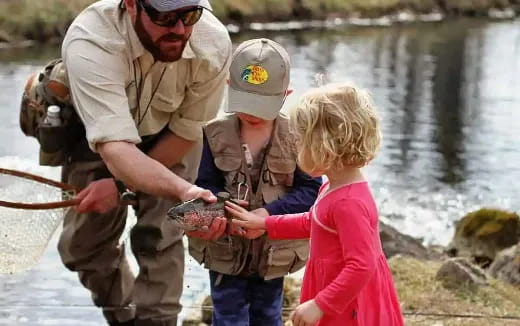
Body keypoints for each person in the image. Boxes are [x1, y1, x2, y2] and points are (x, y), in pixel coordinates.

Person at [56, 1, 231, 325]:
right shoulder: (91, 39)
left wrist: (170, 191)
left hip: (172, 134)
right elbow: (116, 148)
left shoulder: (213, 43)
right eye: (164, 16)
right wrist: (122, 183)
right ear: (132, 5)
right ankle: (125, 318)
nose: (179, 29)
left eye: (189, 15)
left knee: (160, 237)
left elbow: (186, 132)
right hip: (98, 135)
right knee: (82, 249)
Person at [226, 83, 405, 326]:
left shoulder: (348, 203)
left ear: (324, 146)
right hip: (335, 292)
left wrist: (321, 304)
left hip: (349, 307)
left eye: (300, 141)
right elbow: (314, 221)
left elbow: (363, 264)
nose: (296, 148)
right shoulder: (333, 187)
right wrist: (266, 223)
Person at [187, 38, 322, 326]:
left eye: (262, 106)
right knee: (228, 317)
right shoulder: (214, 135)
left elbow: (311, 190)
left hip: (272, 254)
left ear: (286, 94)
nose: (252, 114)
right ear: (228, 87)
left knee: (268, 317)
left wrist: (267, 216)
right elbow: (205, 184)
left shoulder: (298, 136)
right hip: (226, 253)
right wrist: (221, 210)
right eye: (245, 103)